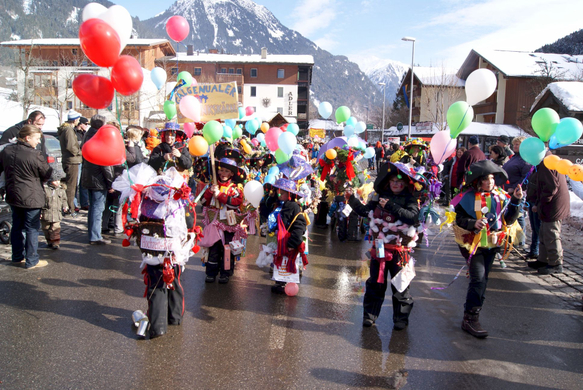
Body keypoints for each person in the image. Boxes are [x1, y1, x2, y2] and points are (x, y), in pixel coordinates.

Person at [347, 162, 422, 330]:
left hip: (400, 251)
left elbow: (411, 217)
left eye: (399, 181)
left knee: (401, 286)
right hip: (379, 249)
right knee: (375, 283)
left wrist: (390, 206)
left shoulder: (410, 199)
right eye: (392, 181)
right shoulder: (378, 196)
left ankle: (401, 319)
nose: (395, 183)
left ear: (405, 183)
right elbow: (367, 212)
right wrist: (351, 200)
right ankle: (369, 315)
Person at [453, 160, 523, 338]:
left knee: (483, 281)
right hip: (473, 245)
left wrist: (515, 200)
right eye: (485, 179)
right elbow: (458, 219)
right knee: (478, 279)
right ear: (477, 181)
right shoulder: (467, 197)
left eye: (492, 178)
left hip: (493, 245)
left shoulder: (500, 196)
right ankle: (470, 319)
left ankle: (472, 315)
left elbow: (509, 218)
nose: (490, 182)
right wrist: (473, 223)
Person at [0, 125, 53, 269]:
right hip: (31, 196)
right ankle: (32, 260)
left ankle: (17, 257)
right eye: (37, 139)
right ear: (27, 137)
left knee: (17, 225)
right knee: (31, 228)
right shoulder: (34, 154)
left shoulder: (6, 151)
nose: (38, 142)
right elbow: (47, 173)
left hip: (13, 194)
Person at [200, 155, 247, 284]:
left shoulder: (235, 188)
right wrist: (210, 192)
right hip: (214, 223)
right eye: (221, 170)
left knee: (227, 248)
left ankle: (225, 272)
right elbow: (203, 202)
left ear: (232, 173)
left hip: (229, 224)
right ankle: (211, 273)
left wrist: (220, 195)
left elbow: (236, 203)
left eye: (227, 171)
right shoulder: (211, 185)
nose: (223, 173)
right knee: (213, 248)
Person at [527, 151, 570, 275]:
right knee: (543, 232)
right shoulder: (547, 161)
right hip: (550, 205)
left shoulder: (547, 164)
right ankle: (543, 259)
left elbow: (550, 188)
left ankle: (556, 263)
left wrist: (539, 204)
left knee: (551, 234)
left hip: (553, 206)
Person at [268, 178, 308, 294]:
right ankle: (280, 283)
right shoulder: (280, 204)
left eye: (282, 192)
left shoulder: (292, 206)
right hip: (281, 240)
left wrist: (292, 243)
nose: (279, 194)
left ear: (289, 194)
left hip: (289, 241)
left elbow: (299, 225)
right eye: (277, 191)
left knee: (287, 263)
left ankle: (286, 284)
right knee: (280, 262)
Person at [80, 115, 114, 245]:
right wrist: (110, 182)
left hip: (89, 176)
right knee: (97, 208)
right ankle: (95, 236)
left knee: (93, 208)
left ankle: (93, 233)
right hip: (98, 179)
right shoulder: (99, 138)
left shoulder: (88, 135)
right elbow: (105, 163)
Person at [502, 136, 532, 250]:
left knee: (518, 216)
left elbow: (526, 178)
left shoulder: (525, 160)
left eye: (518, 144)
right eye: (514, 144)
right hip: (507, 191)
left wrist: (515, 188)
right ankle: (511, 239)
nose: (515, 146)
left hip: (517, 193)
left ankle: (520, 241)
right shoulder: (514, 157)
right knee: (510, 216)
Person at [58, 109, 82, 216]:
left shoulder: (68, 129)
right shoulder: (68, 130)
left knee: (70, 185)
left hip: (71, 160)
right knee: (71, 186)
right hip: (72, 161)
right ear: (75, 120)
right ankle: (69, 207)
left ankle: (68, 206)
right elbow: (71, 147)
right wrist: (79, 153)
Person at [75, 117, 90, 210]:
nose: (87, 126)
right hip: (77, 160)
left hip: (84, 160)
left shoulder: (85, 133)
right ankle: (75, 204)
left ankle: (84, 203)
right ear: (80, 124)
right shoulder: (74, 133)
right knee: (76, 183)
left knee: (83, 183)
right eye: (86, 124)